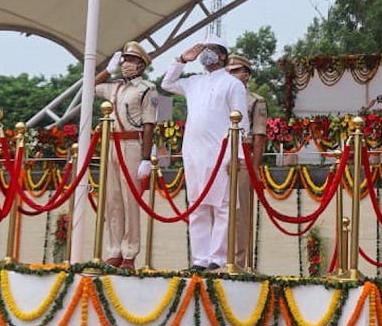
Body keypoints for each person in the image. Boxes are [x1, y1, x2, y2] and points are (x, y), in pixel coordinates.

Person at [162, 42, 248, 272]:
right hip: (194, 152)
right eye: (203, 50)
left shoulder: (233, 84)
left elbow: (241, 123)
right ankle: (200, 259)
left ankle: (217, 258)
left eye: (211, 50)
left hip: (221, 153)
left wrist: (237, 154)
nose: (205, 54)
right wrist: (182, 59)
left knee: (222, 206)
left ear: (222, 57)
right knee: (197, 205)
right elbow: (167, 83)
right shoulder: (193, 82)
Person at [94, 41, 159, 270]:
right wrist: (108, 70)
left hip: (132, 144)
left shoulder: (147, 89)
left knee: (130, 201)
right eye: (125, 60)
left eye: (131, 60)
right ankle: (114, 250)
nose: (127, 64)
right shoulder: (114, 87)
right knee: (113, 200)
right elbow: (90, 87)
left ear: (141, 65)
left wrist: (144, 158)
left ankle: (130, 252)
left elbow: (149, 124)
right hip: (111, 144)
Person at [225, 54, 268, 270]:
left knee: (240, 213)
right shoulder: (221, 97)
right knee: (219, 209)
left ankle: (238, 263)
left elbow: (259, 136)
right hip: (220, 157)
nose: (231, 75)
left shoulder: (255, 101)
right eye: (228, 71)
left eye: (236, 71)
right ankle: (218, 259)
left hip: (243, 157)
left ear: (246, 75)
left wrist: (255, 167)